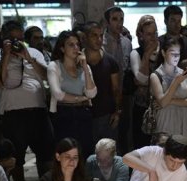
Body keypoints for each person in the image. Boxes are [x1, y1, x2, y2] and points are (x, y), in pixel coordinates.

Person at [0, 20, 54, 181]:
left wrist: (28, 57)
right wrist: (6, 57)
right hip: (13, 115)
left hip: (38, 112)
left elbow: (48, 75)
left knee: (46, 155)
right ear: (5, 39)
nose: (17, 43)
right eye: (12, 40)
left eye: (20, 39)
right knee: (16, 158)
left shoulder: (33, 53)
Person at [48, 31, 97, 160]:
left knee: (85, 151)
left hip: (83, 113)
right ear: (62, 48)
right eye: (71, 45)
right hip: (64, 113)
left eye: (77, 45)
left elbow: (92, 93)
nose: (76, 48)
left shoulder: (84, 67)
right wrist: (82, 98)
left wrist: (85, 67)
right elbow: (57, 94)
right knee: (66, 152)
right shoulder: (54, 66)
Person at [83, 22, 122, 146]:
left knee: (108, 152)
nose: (98, 39)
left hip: (106, 115)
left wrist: (117, 112)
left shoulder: (110, 61)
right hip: (84, 114)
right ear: (85, 38)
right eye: (94, 35)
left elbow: (116, 89)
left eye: (101, 36)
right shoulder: (77, 61)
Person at [103, 6, 133, 154]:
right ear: (107, 22)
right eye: (115, 19)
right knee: (109, 135)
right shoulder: (102, 42)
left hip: (124, 93)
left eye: (121, 19)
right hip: (107, 93)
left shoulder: (126, 42)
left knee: (125, 132)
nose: (119, 23)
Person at [152, 37, 187, 140]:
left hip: (184, 118)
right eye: (172, 53)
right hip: (166, 118)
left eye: (178, 54)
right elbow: (162, 103)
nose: (176, 57)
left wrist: (169, 101)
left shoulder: (184, 73)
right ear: (163, 53)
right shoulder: (155, 75)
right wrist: (176, 82)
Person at [130, 15, 160, 149]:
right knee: (142, 146)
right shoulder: (136, 53)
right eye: (149, 34)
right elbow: (140, 79)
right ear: (141, 35)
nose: (153, 37)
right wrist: (147, 55)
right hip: (142, 108)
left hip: (161, 107)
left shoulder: (164, 51)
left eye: (155, 33)